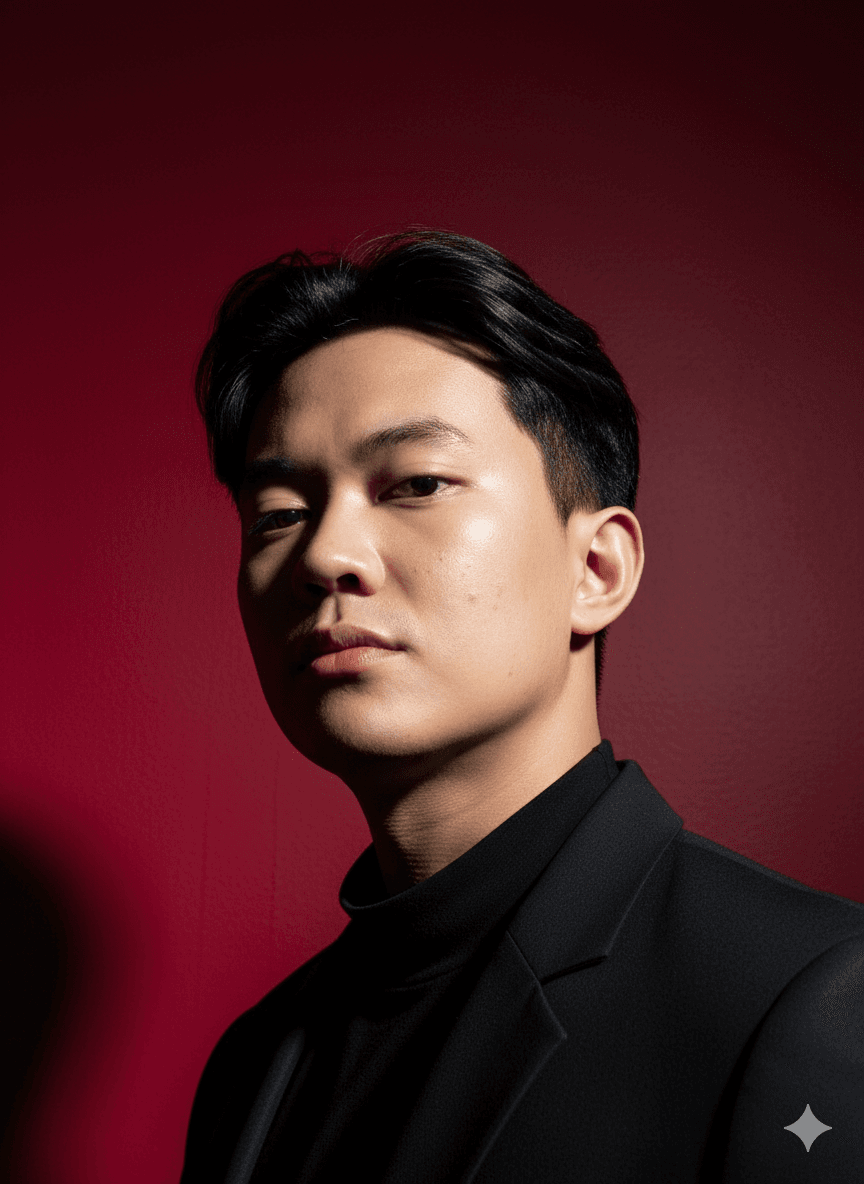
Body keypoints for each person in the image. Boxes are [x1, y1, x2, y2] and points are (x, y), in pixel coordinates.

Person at [180, 230, 864, 1183]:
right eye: (279, 515)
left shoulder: (808, 993)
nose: (325, 554)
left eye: (417, 484)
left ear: (598, 569)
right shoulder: (255, 1068)